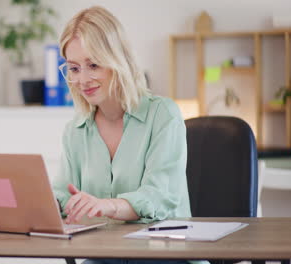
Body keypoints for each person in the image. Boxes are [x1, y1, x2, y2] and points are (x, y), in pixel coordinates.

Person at [52, 6, 201, 264]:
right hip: (104, 256)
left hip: (167, 255)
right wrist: (42, 204)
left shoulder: (163, 115)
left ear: (117, 60)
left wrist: (107, 205)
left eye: (93, 65)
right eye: (74, 68)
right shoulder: (75, 131)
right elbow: (64, 195)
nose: (83, 79)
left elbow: (159, 197)